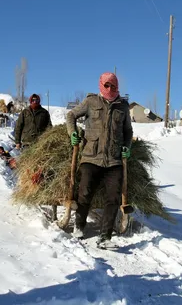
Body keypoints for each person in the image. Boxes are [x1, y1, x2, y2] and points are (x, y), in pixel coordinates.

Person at [66, 72, 133, 248]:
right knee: (85, 192)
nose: (110, 88)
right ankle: (79, 226)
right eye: (107, 85)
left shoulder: (123, 107)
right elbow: (71, 115)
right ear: (101, 85)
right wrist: (72, 133)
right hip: (90, 157)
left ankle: (105, 237)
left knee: (113, 197)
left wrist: (127, 146)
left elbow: (128, 132)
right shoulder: (91, 102)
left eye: (113, 85)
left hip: (114, 160)